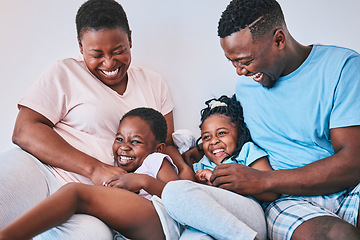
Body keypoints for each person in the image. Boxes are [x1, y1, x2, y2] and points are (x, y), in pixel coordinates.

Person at [0, 0, 193, 239]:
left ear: (130, 39)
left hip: (94, 201)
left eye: (119, 50)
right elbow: (24, 130)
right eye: (96, 54)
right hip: (40, 169)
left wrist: (186, 174)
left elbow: (165, 146)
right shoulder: (66, 72)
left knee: (95, 237)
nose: (109, 63)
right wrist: (95, 169)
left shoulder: (153, 84)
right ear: (81, 47)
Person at [180, 0, 360, 239]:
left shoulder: (342, 67)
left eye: (245, 61)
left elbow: (352, 162)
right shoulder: (246, 86)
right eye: (232, 62)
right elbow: (231, 136)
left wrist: (263, 180)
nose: (239, 71)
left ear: (279, 40)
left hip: (347, 187)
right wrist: (198, 151)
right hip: (288, 199)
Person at [0, 107, 184, 240]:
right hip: (131, 228)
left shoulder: (156, 161)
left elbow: (178, 197)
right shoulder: (118, 169)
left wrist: (144, 181)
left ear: (158, 149)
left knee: (75, 193)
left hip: (159, 220)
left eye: (135, 142)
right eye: (119, 139)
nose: (124, 147)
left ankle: (9, 236)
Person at [162, 95, 279, 240]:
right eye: (206, 137)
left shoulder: (246, 152)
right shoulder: (200, 166)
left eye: (221, 133)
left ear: (239, 134)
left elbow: (272, 193)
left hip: (251, 219)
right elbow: (194, 203)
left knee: (173, 191)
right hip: (215, 227)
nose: (214, 141)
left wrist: (219, 181)